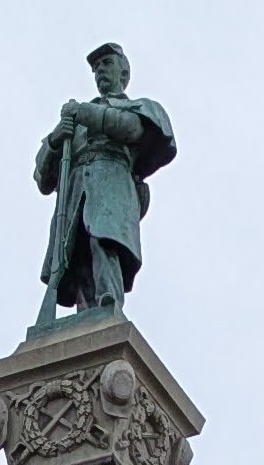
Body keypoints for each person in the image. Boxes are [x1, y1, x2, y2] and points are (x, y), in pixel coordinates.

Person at [32, 43, 176, 331]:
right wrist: (54, 141)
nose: (99, 70)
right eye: (96, 67)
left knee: (104, 242)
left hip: (112, 183)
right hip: (75, 192)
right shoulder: (74, 122)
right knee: (76, 257)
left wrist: (85, 114)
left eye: (106, 63)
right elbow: (43, 179)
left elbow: (130, 129)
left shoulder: (137, 107)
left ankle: (108, 305)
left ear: (124, 71)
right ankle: (85, 314)